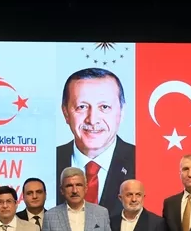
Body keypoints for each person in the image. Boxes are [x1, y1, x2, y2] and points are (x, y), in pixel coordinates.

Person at [55, 68, 135, 216]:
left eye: (104, 107)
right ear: (65, 112)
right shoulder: (49, 160)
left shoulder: (141, 160)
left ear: (122, 111)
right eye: (82, 107)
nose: (92, 120)